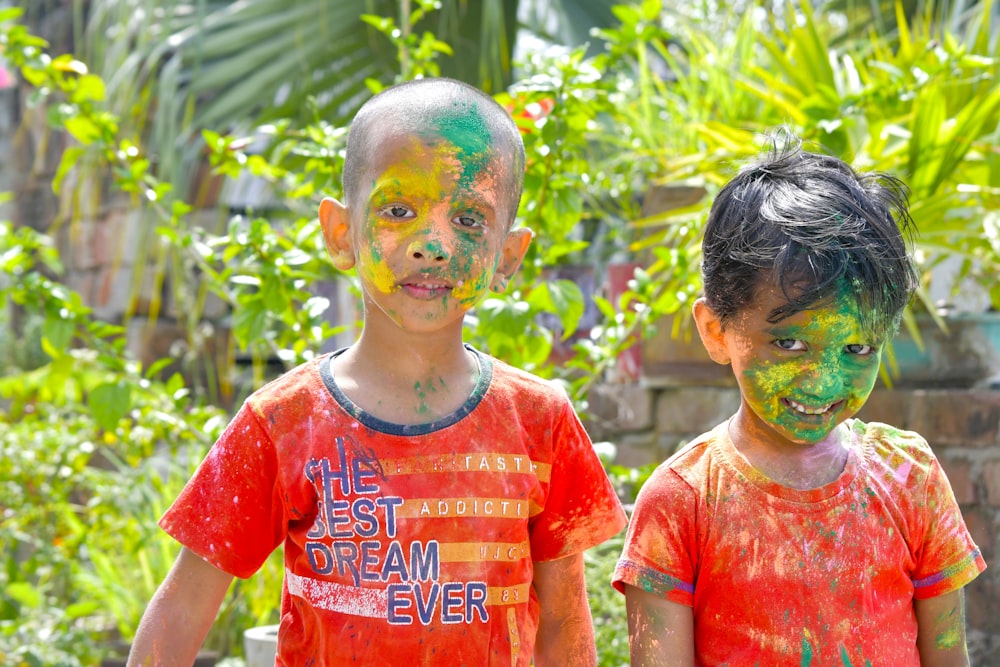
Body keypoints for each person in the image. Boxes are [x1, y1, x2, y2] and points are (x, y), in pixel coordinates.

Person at [127, 77, 627, 667]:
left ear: (507, 256)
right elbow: (182, 611)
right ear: (342, 233)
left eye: (469, 219)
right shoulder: (283, 422)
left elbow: (565, 624)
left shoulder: (539, 420)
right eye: (398, 210)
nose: (432, 245)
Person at [612, 136, 986, 666]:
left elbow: (949, 655)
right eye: (788, 343)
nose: (824, 380)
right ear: (716, 331)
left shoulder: (911, 478)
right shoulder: (682, 502)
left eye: (858, 347)